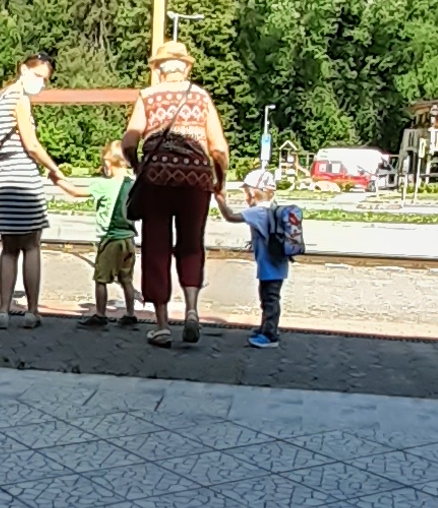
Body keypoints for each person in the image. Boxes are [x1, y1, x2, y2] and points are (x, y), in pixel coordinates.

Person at [121, 39, 233, 347]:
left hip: (156, 179)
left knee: (156, 247)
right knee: (192, 245)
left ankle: (161, 325)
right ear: (185, 68)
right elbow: (219, 149)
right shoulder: (201, 96)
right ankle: (192, 310)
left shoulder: (147, 96)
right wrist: (219, 179)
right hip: (196, 180)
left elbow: (129, 142)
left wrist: (138, 166)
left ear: (159, 69)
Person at [0, 49, 84, 328]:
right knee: (31, 246)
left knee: (8, 249)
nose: (41, 83)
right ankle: (31, 310)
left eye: (45, 79)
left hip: (1, 178)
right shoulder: (20, 99)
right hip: (24, 178)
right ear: (24, 70)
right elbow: (32, 145)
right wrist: (55, 169)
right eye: (39, 76)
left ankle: (2, 311)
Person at [79, 141, 138, 328]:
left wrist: (59, 181)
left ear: (107, 163)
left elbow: (77, 192)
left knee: (101, 278)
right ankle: (130, 314)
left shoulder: (103, 185)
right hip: (129, 239)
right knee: (126, 280)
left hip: (111, 239)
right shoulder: (133, 185)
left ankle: (100, 314)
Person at [237, 169, 293, 348]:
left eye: (246, 191)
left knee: (269, 301)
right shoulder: (273, 208)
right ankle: (266, 328)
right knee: (269, 299)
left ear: (253, 192)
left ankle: (270, 336)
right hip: (278, 265)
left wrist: (220, 200)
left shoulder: (258, 211)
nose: (245, 196)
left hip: (269, 268)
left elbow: (231, 217)